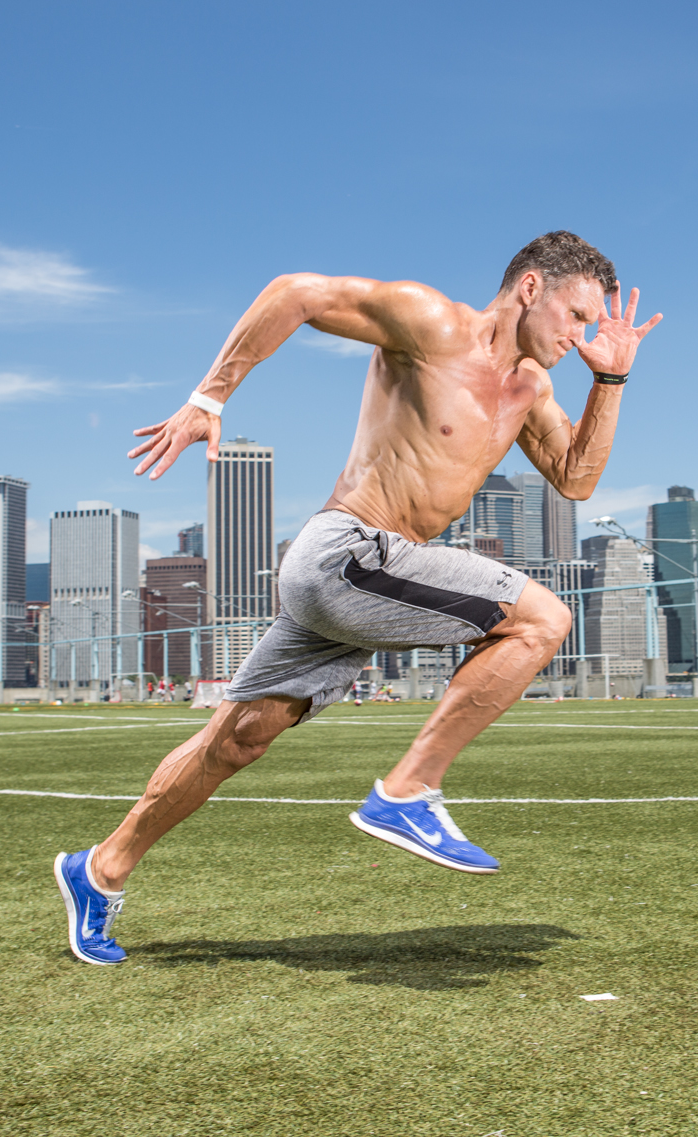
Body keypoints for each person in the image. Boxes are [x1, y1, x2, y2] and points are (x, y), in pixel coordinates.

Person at [54, 231, 661, 965]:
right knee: (543, 618)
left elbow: (576, 478)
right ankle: (409, 791)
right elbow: (296, 294)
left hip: (366, 585)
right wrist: (206, 397)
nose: (580, 334)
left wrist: (612, 382)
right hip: (349, 553)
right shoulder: (430, 322)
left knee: (237, 740)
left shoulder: (531, 390)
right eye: (575, 313)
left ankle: (100, 870)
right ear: (531, 287)